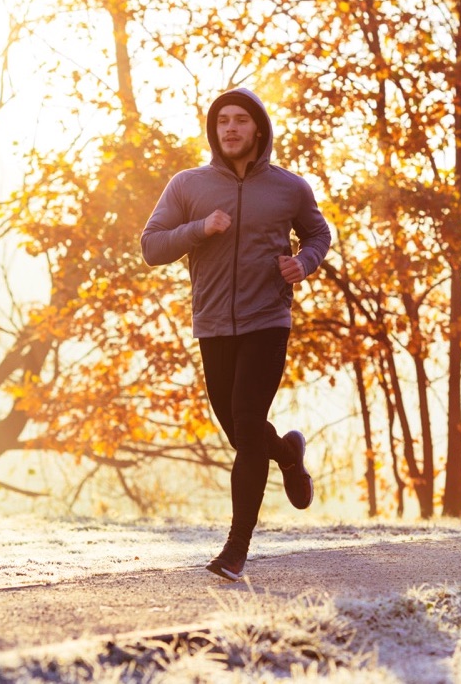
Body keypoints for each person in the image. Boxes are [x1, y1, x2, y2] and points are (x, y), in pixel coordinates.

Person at [140, 88, 332, 581]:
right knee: (240, 431)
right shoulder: (188, 185)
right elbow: (151, 246)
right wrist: (200, 228)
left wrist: (303, 263)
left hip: (267, 319)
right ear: (214, 129)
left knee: (248, 423)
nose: (230, 128)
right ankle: (288, 453)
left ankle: (234, 551)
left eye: (240, 120)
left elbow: (318, 234)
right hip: (212, 323)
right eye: (222, 120)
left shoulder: (289, 188)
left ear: (258, 129)